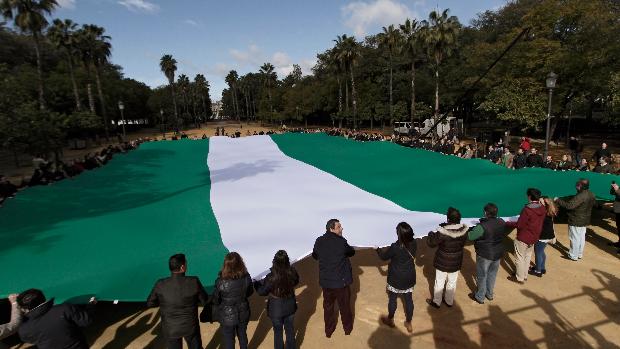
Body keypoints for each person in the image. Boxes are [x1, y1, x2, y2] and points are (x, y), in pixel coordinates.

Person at [146, 254, 208, 349]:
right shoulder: (193, 281)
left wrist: (164, 302)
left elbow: (150, 303)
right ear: (182, 267)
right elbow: (204, 300)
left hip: (170, 329)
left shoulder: (160, 284)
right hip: (190, 327)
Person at [312, 219, 355, 337]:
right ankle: (347, 329)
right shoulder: (341, 242)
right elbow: (351, 252)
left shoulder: (319, 240)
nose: (341, 229)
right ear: (331, 229)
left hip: (326, 283)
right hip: (341, 284)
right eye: (339, 227)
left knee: (328, 307)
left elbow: (315, 255)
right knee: (345, 307)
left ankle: (329, 331)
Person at [17, 289, 96, 349]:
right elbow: (86, 321)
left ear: (24, 309)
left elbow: (30, 339)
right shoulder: (64, 309)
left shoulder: (24, 330)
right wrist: (91, 305)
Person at [375, 222, 417, 333]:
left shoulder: (395, 247)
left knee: (392, 299)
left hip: (396, 277)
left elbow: (384, 257)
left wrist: (377, 248)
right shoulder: (414, 243)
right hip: (409, 276)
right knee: (408, 300)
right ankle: (409, 322)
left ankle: (390, 319)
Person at [254, 250, 300, 349]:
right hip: (290, 306)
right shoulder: (292, 272)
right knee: (290, 330)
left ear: (274, 261)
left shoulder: (271, 277)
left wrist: (256, 283)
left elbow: (262, 292)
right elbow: (296, 282)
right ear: (287, 260)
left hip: (276, 309)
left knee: (278, 333)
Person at [426, 207, 469, 308]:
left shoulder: (442, 232)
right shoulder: (465, 231)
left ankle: (437, 302)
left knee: (439, 281)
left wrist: (431, 234)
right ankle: (449, 301)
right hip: (456, 260)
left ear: (448, 219)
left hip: (443, 260)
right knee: (452, 282)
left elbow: (431, 243)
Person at [468, 203, 509, 304]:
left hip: (485, 254)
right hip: (497, 253)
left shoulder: (482, 226)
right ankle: (489, 294)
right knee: (492, 274)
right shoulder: (501, 222)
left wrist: (471, 230)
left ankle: (480, 296)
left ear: (485, 213)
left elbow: (471, 237)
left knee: (482, 275)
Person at [213, 252, 254, 349]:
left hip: (226, 316)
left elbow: (216, 300)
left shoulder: (220, 281)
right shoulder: (246, 278)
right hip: (243, 312)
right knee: (242, 335)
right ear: (240, 263)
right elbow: (250, 292)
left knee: (229, 340)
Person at [505, 188, 546, 284]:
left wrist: (507, 223)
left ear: (530, 196)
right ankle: (524, 275)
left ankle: (519, 278)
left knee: (520, 257)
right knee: (527, 256)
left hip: (523, 236)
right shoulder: (543, 208)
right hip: (534, 237)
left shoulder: (527, 209)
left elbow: (520, 224)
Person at [555, 179, 596, 261]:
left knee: (575, 238)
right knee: (581, 237)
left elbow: (569, 206)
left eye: (577, 185)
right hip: (585, 219)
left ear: (580, 186)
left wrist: (557, 200)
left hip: (576, 219)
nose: (576, 186)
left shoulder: (580, 196)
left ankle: (573, 255)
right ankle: (579, 254)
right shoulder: (592, 194)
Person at [530, 197, 558, 277]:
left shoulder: (542, 213)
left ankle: (538, 271)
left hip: (542, 236)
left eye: (540, 202)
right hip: (548, 235)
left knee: (538, 252)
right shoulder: (549, 212)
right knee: (541, 251)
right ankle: (542, 267)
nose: (538, 202)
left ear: (545, 204)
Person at [608, 182, 620, 252]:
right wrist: (613, 189)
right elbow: (613, 193)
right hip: (618, 209)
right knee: (618, 226)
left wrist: (617, 190)